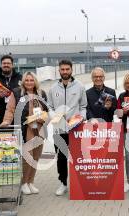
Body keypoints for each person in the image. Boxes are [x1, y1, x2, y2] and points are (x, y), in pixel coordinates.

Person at [0, 72, 48, 195]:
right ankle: (23, 183)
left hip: (39, 128)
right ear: (23, 81)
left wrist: (44, 117)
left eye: (31, 80)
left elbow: (46, 110)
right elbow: (10, 109)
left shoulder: (41, 93)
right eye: (26, 80)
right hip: (25, 128)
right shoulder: (16, 93)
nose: (29, 82)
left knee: (36, 157)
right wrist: (6, 121)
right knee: (27, 157)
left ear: (35, 81)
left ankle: (31, 182)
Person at [47, 60, 87, 196]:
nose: (65, 71)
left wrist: (81, 118)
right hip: (59, 129)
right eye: (62, 69)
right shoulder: (53, 88)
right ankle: (63, 183)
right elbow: (49, 107)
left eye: (67, 69)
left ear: (71, 70)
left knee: (77, 156)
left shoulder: (80, 86)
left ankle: (78, 183)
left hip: (75, 128)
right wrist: (55, 116)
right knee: (62, 158)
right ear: (59, 71)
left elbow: (83, 106)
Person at [0, 54, 22, 124]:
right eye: (4, 63)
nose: (6, 65)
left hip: (16, 115)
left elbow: (25, 94)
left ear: (12, 65)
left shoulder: (20, 78)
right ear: (1, 65)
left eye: (8, 63)